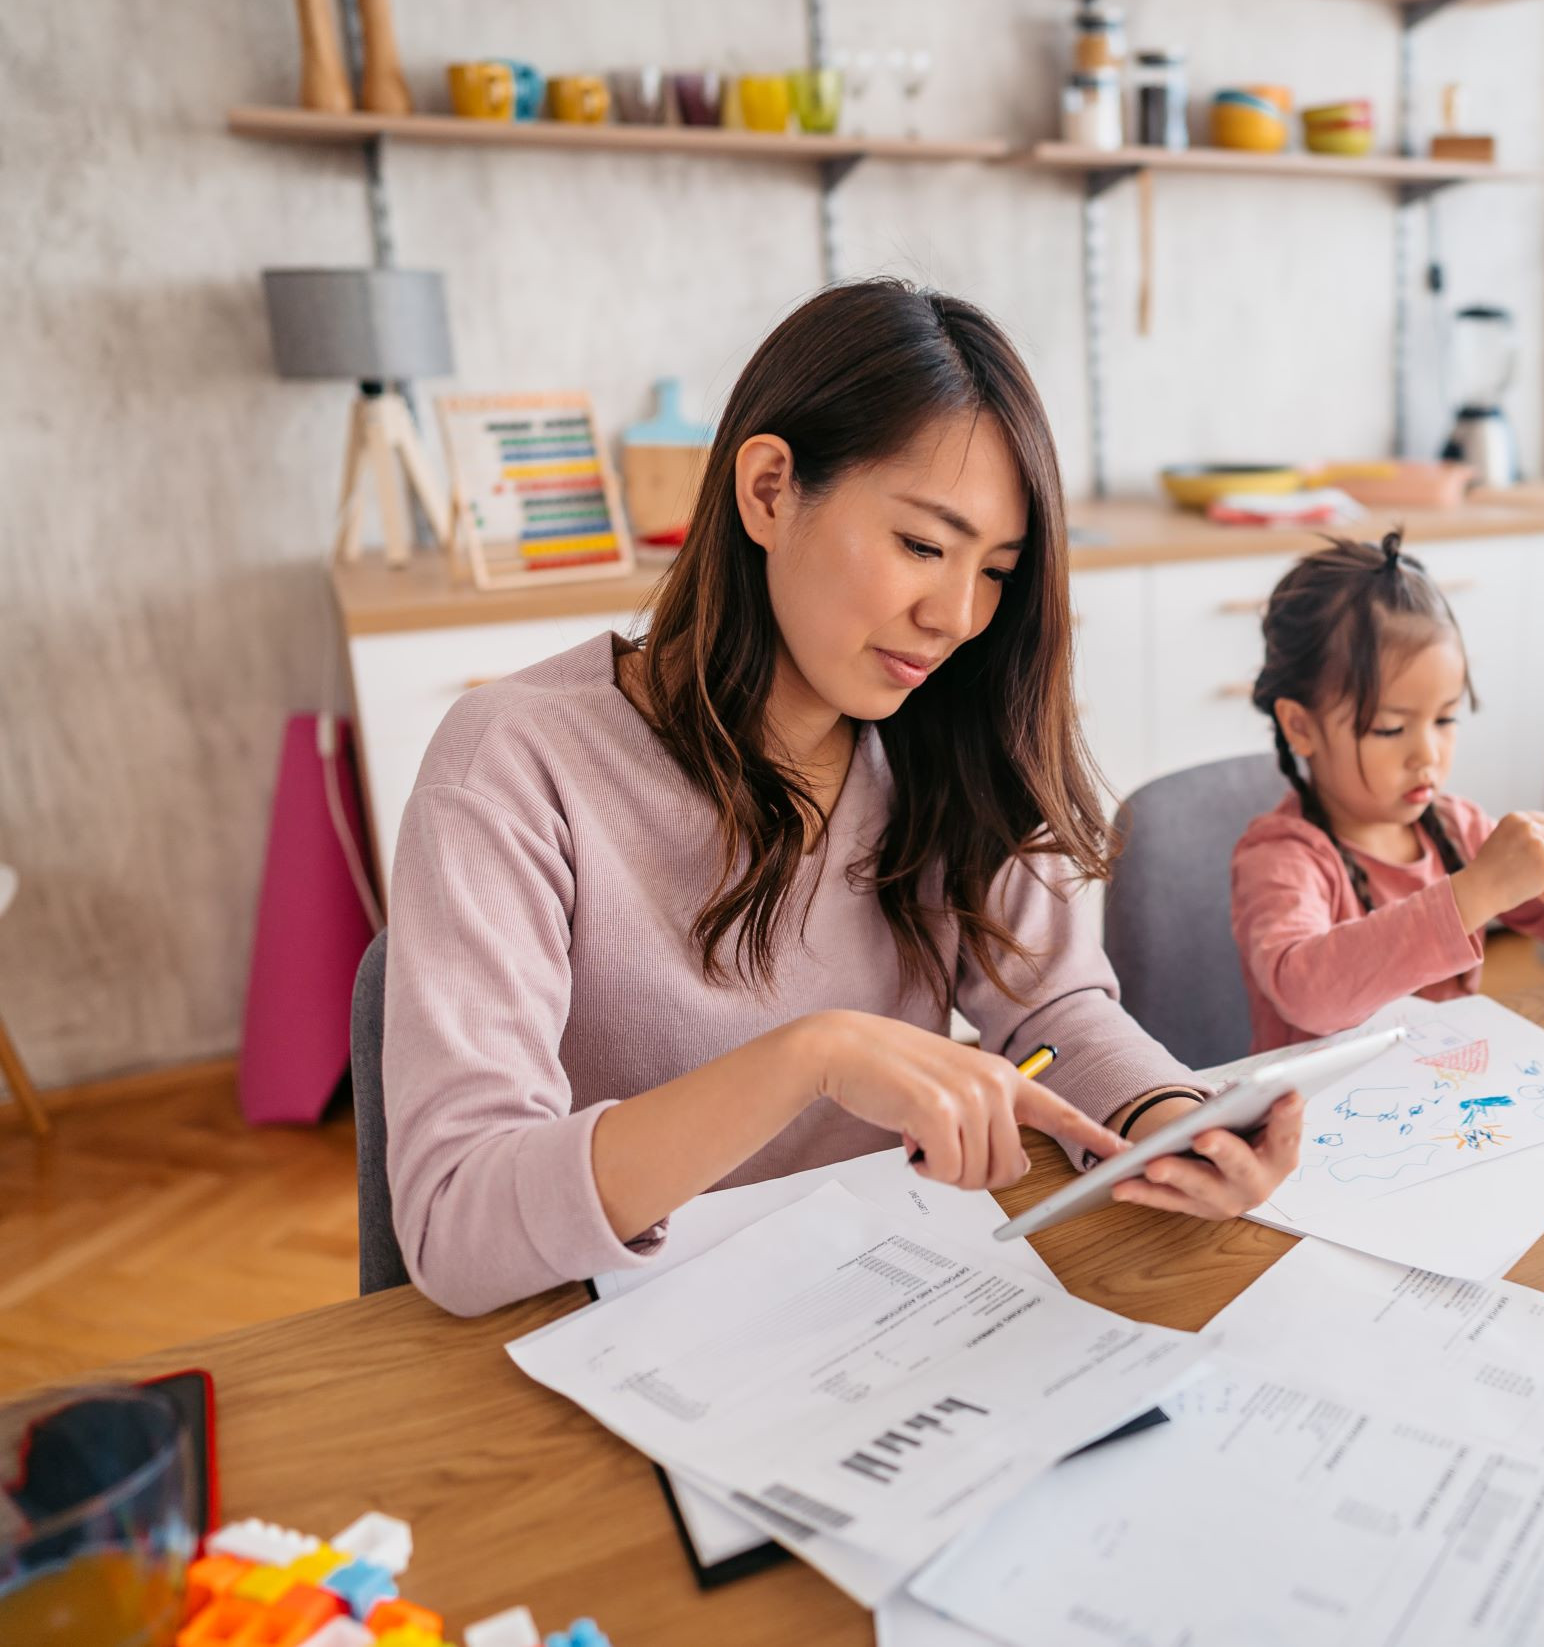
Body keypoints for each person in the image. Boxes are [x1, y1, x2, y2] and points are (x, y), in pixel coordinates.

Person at [384, 279, 1301, 1316]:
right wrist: (809, 1058)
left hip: (886, 1300)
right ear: (770, 490)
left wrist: (1176, 1113)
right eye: (921, 545)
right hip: (623, 1329)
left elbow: (1054, 1007)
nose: (955, 615)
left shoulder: (949, 738)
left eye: (995, 570)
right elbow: (455, 1223)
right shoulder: (516, 757)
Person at [1230, 533, 1544, 1051]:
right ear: (1301, 727)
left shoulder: (1459, 831)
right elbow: (1308, 993)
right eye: (1391, 729)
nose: (1427, 755)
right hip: (1313, 1122)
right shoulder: (1281, 858)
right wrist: (1474, 893)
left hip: (1445, 1106)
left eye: (1445, 719)